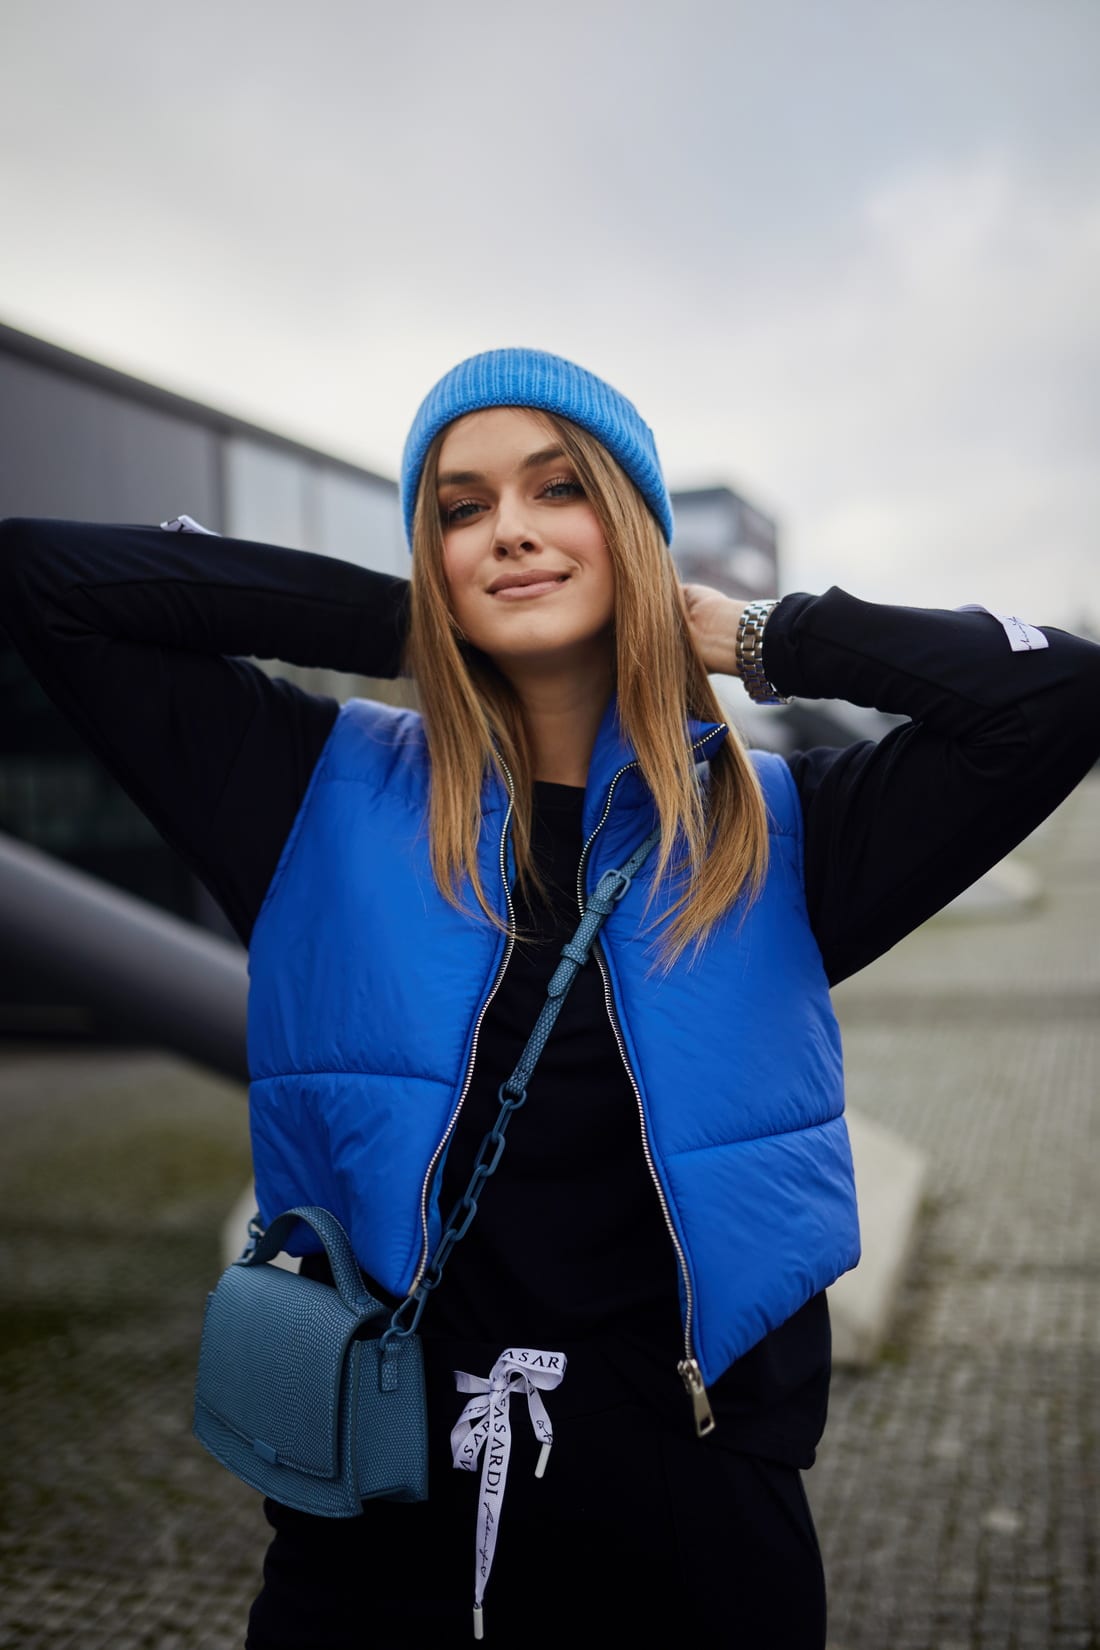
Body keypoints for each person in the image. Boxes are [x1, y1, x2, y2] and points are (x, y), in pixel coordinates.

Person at [1, 346, 1098, 1650]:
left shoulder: (777, 833)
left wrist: (751, 633)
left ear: (631, 530)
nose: (509, 529)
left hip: (691, 1529)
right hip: (376, 1529)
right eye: (461, 509)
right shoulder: (311, 796)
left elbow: (1059, 693)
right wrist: (414, 618)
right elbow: (42, 577)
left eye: (557, 489)